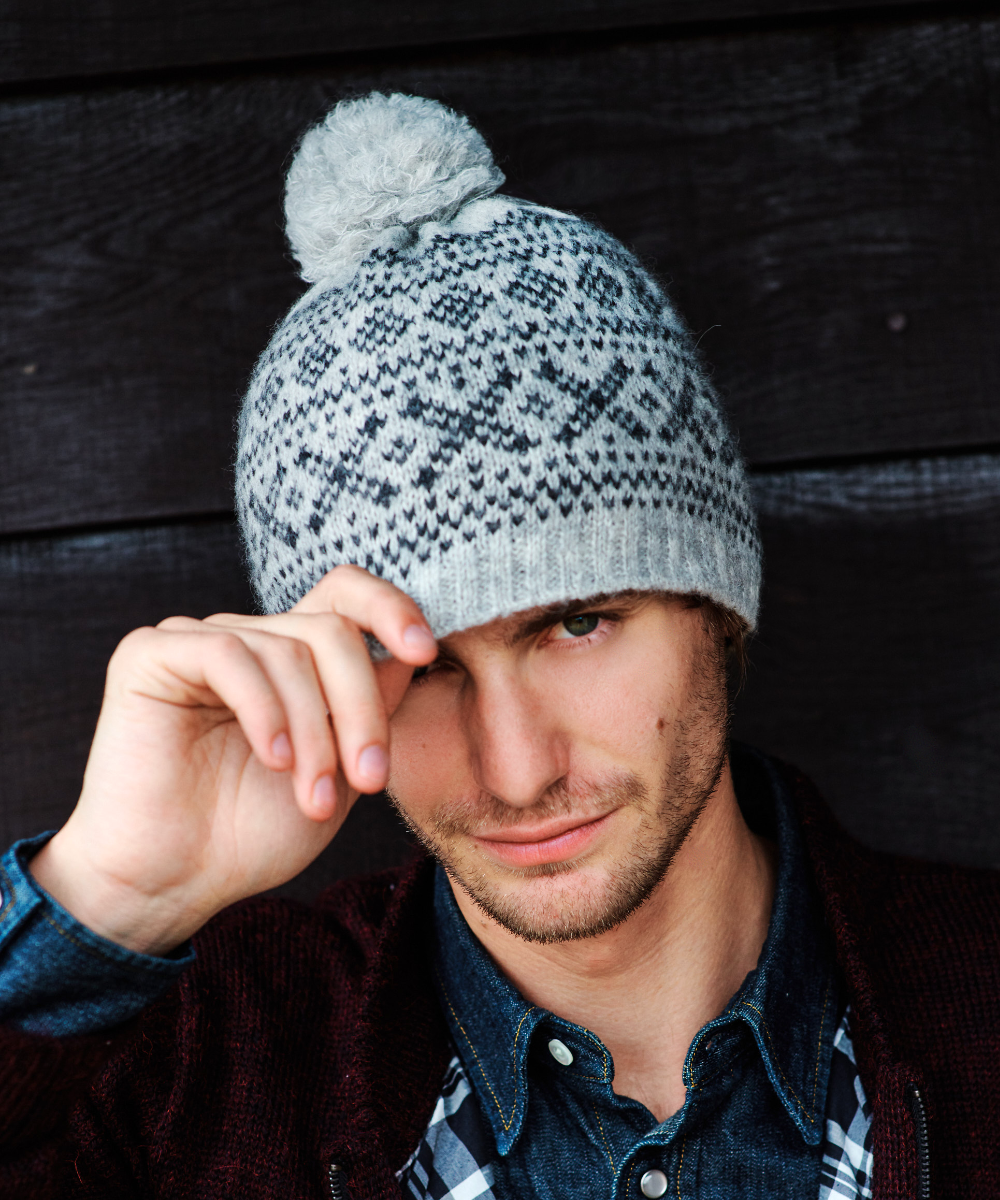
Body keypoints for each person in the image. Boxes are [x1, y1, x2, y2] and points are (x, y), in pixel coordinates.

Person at [0, 92, 997, 1200]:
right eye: (422, 669)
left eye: (576, 623)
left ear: (715, 610)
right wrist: (107, 895)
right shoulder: (204, 1075)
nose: (517, 770)